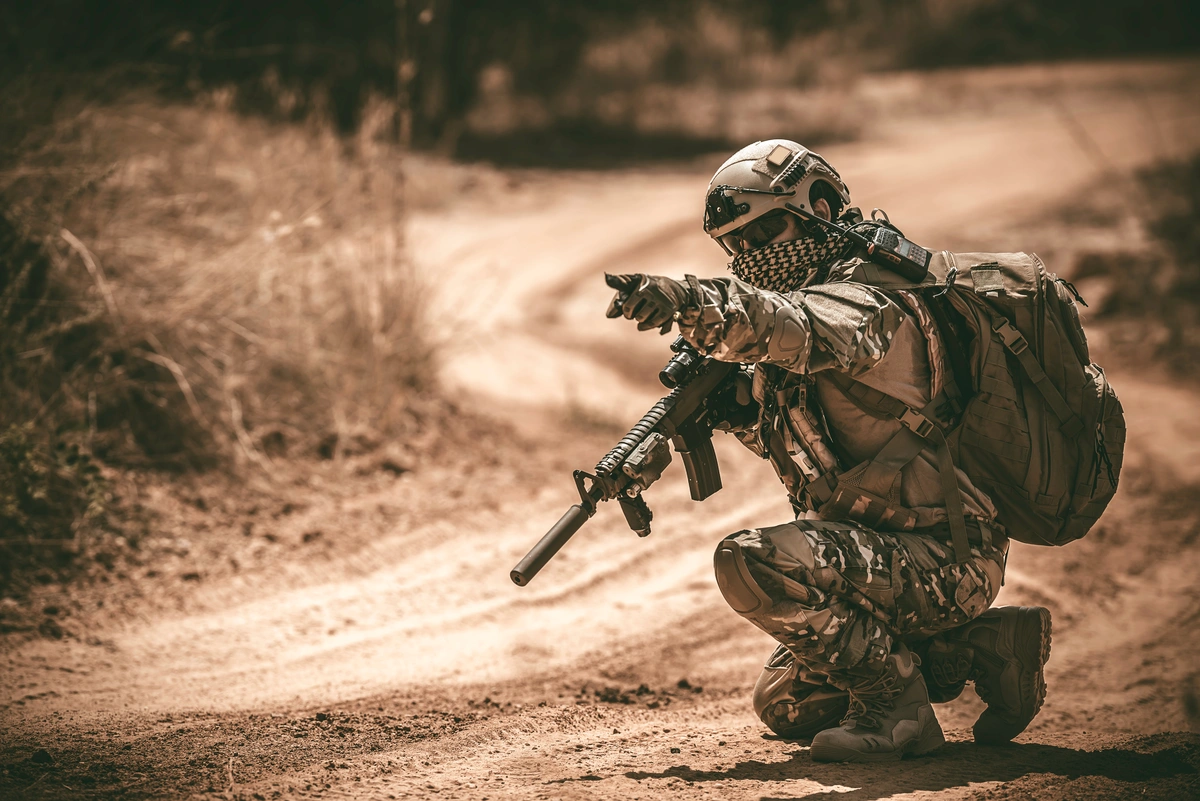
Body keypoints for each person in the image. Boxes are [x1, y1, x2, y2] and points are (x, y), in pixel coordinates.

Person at [605, 139, 1052, 763]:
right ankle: (983, 646)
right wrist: (726, 414)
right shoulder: (810, 327)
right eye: (739, 246)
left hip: (947, 554)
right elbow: (817, 453)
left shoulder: (870, 302)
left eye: (768, 230)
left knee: (751, 563)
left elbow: (788, 326)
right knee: (787, 704)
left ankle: (897, 714)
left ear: (820, 205)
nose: (756, 255)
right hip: (884, 551)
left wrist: (690, 301)